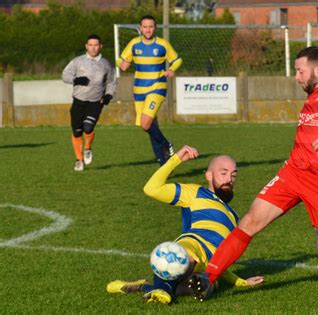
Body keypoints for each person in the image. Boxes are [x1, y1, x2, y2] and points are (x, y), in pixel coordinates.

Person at [187, 46, 318, 300]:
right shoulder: (314, 94)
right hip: (293, 173)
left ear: (317, 70)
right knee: (250, 221)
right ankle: (207, 278)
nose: (296, 77)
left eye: (300, 71)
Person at [106, 145, 264, 304]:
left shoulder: (234, 217)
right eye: (223, 173)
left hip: (207, 265)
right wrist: (177, 159)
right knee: (183, 254)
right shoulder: (195, 192)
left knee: (208, 286)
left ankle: (146, 287)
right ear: (208, 175)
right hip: (191, 246)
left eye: (233, 175)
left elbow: (224, 255)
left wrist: (240, 281)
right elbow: (151, 189)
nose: (229, 179)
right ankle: (161, 290)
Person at [118, 15, 182, 165]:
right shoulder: (134, 44)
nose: (148, 29)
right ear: (140, 28)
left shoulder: (162, 44)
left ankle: (166, 144)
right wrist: (122, 64)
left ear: (155, 28)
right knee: (150, 126)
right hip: (139, 90)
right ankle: (163, 162)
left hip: (157, 87)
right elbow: (120, 59)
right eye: (145, 27)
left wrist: (172, 69)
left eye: (151, 26)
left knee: (146, 124)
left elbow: (177, 59)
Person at [62, 34, 116, 171]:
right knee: (77, 131)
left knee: (88, 127)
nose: (93, 48)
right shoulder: (77, 61)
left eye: (96, 45)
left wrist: (109, 95)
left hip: (96, 102)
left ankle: (87, 148)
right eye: (90, 45)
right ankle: (79, 160)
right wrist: (76, 80)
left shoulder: (105, 64)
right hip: (78, 101)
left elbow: (111, 81)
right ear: (86, 46)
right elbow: (65, 75)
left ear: (100, 46)